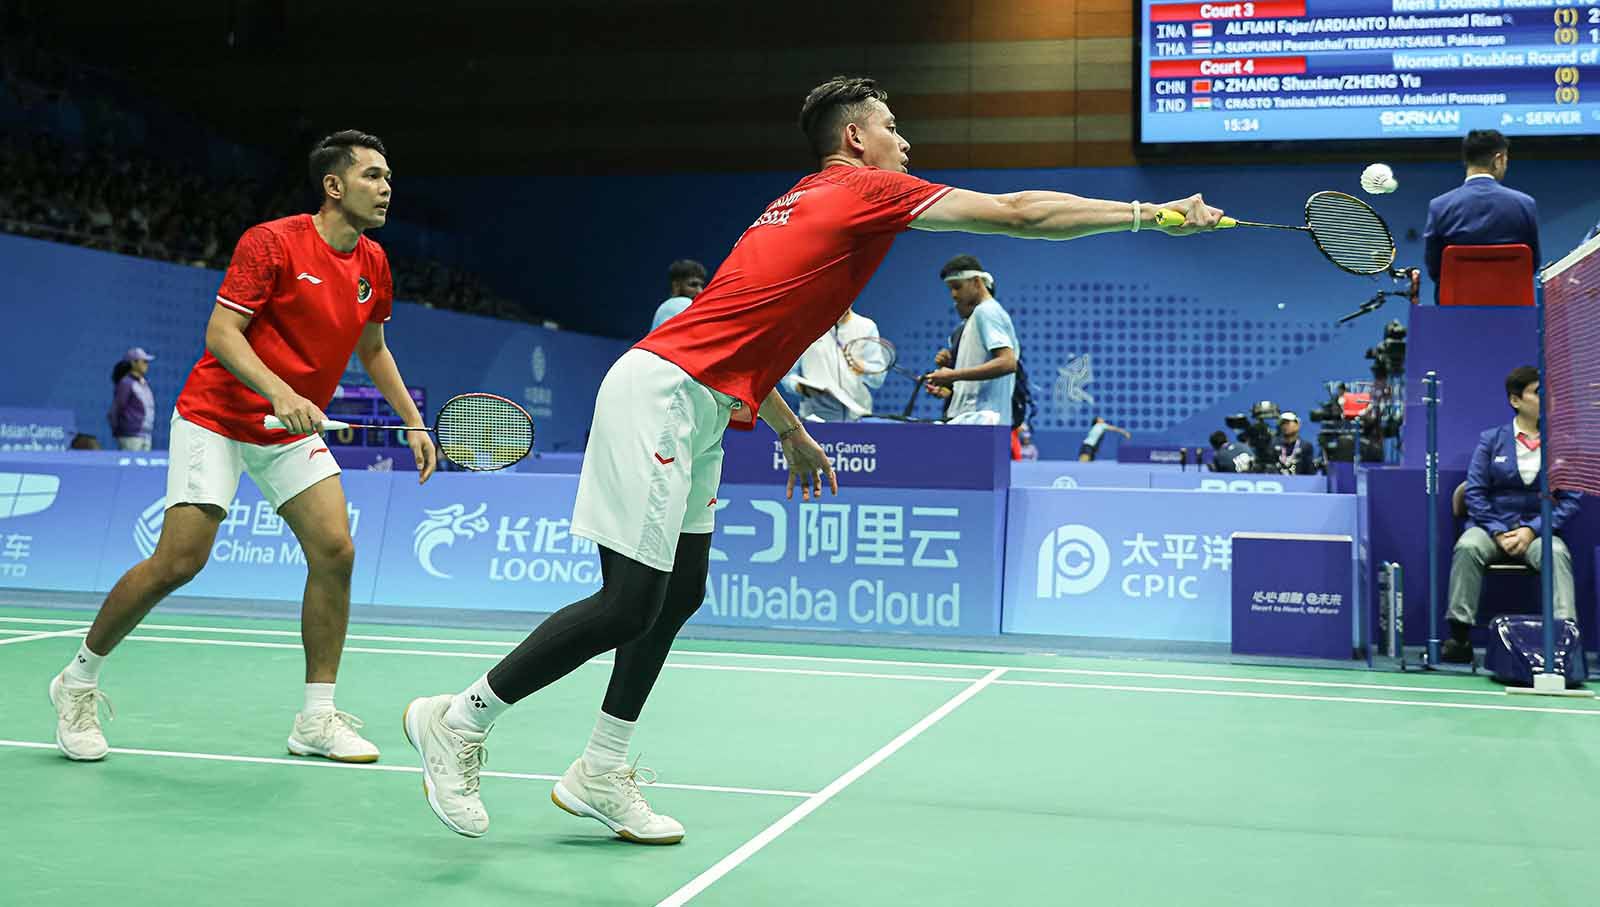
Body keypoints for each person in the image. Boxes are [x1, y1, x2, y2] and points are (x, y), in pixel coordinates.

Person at [399, 74, 1222, 842]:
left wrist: (789, 427)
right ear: (857, 137)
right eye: (894, 128)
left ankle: (600, 771)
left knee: (679, 592)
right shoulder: (868, 189)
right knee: (627, 603)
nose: (906, 142)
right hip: (660, 392)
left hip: (703, 399)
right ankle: (461, 717)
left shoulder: (792, 203)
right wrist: (1155, 215)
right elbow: (1018, 212)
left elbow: (745, 331)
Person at [48, 131, 437, 765]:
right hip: (219, 415)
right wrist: (280, 391)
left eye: (389, 176)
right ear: (333, 186)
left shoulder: (374, 264)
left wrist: (414, 423)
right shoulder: (273, 242)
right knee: (179, 561)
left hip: (290, 429)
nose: (387, 186)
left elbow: (373, 350)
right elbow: (223, 333)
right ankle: (77, 681)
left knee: (335, 550)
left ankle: (315, 718)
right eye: (372, 175)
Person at [1441, 366, 1581, 663]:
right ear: (1516, 400)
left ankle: (1566, 642)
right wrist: (1498, 530)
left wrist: (1532, 530)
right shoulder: (1491, 440)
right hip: (1491, 526)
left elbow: (1569, 501)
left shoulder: (1563, 443)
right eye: (1538, 393)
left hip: (1538, 531)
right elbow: (1474, 493)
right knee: (1467, 546)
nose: (1548, 398)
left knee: (1557, 554)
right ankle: (1459, 637)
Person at [1423, 129, 1541, 302]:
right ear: (1498, 160)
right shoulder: (1525, 205)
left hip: (1455, 314)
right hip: (1513, 313)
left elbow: (1434, 269)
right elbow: (1532, 265)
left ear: (1467, 160)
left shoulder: (1439, 207)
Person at [924, 255, 1018, 424]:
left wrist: (953, 375)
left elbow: (1007, 362)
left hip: (981, 421)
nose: (953, 295)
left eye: (957, 287)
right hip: (970, 420)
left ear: (976, 282)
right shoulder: (974, 318)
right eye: (950, 289)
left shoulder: (987, 312)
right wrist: (949, 373)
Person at [780, 307, 886, 421]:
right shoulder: (805, 326)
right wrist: (800, 387)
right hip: (815, 419)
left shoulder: (867, 327)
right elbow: (786, 374)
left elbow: (877, 379)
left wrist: (863, 369)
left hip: (858, 418)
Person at [108, 347, 156, 451]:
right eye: (144, 361)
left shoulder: (143, 384)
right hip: (130, 437)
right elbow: (116, 409)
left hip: (145, 435)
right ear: (134, 363)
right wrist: (120, 432)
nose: (146, 364)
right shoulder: (126, 383)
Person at [649, 259, 707, 330]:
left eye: (701, 286)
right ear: (676, 285)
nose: (700, 291)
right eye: (693, 285)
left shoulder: (665, 307)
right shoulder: (680, 302)